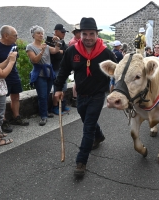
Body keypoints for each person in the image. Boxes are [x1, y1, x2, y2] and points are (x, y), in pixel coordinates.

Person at [53, 17, 117, 176]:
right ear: (79, 35)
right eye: (84, 34)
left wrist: (115, 86)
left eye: (91, 33)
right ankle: (99, 136)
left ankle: (81, 162)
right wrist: (59, 88)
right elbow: (63, 71)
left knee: (88, 127)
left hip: (97, 95)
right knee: (87, 119)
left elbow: (118, 71)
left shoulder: (106, 52)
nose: (88, 37)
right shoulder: (72, 51)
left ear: (96, 34)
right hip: (81, 95)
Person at [0, 25, 29, 133]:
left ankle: (16, 117)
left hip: (13, 74)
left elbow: (14, 60)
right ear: (6, 35)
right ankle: (3, 121)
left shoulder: (13, 45)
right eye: (15, 35)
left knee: (16, 96)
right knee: (1, 99)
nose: (17, 37)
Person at [26, 25, 60, 126]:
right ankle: (43, 116)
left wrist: (58, 42)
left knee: (47, 93)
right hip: (39, 74)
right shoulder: (30, 47)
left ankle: (45, 112)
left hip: (48, 73)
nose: (41, 35)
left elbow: (55, 50)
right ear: (33, 35)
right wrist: (41, 51)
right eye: (38, 33)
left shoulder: (46, 45)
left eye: (42, 33)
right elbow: (34, 60)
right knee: (42, 96)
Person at [50, 24, 70, 115]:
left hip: (63, 68)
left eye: (64, 32)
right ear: (56, 31)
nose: (64, 34)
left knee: (64, 88)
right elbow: (56, 54)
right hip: (55, 68)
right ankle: (55, 106)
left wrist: (61, 51)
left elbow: (68, 52)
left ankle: (61, 105)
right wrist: (62, 52)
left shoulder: (62, 41)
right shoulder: (51, 40)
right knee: (57, 89)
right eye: (62, 32)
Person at [69, 24, 81, 108]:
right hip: (77, 64)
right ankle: (75, 99)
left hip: (79, 64)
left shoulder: (78, 41)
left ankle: (76, 98)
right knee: (77, 82)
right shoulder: (74, 42)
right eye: (80, 32)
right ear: (76, 32)